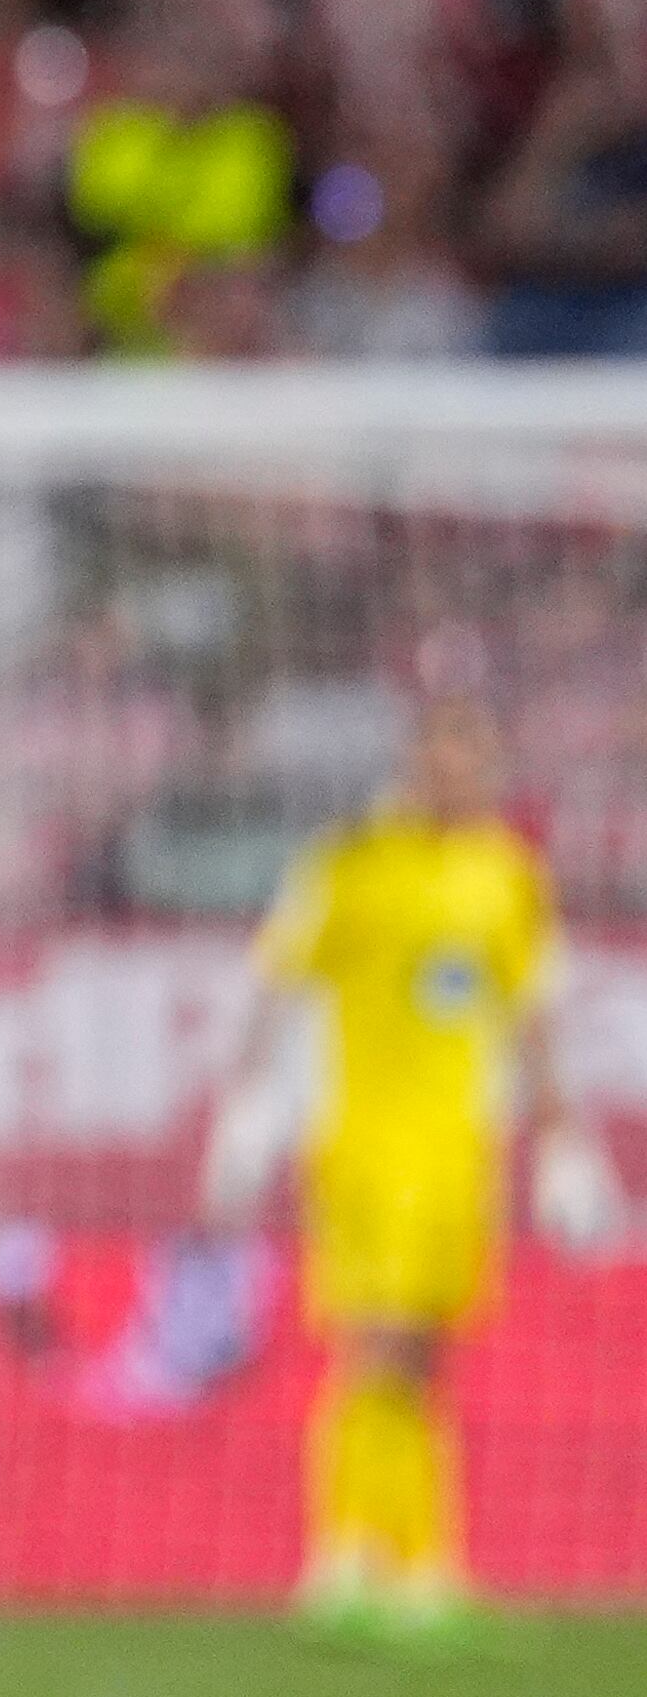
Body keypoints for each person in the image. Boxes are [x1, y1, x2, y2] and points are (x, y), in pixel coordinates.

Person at [201, 695, 620, 1635]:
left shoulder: (505, 873)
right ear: (413, 760)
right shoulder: (350, 860)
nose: (454, 772)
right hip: (361, 1140)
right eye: (440, 753)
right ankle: (342, 1557)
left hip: (457, 1148)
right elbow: (276, 977)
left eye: (471, 757)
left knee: (426, 1351)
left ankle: (420, 1565)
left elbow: (529, 1007)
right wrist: (246, 1102)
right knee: (376, 1337)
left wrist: (558, 1131)